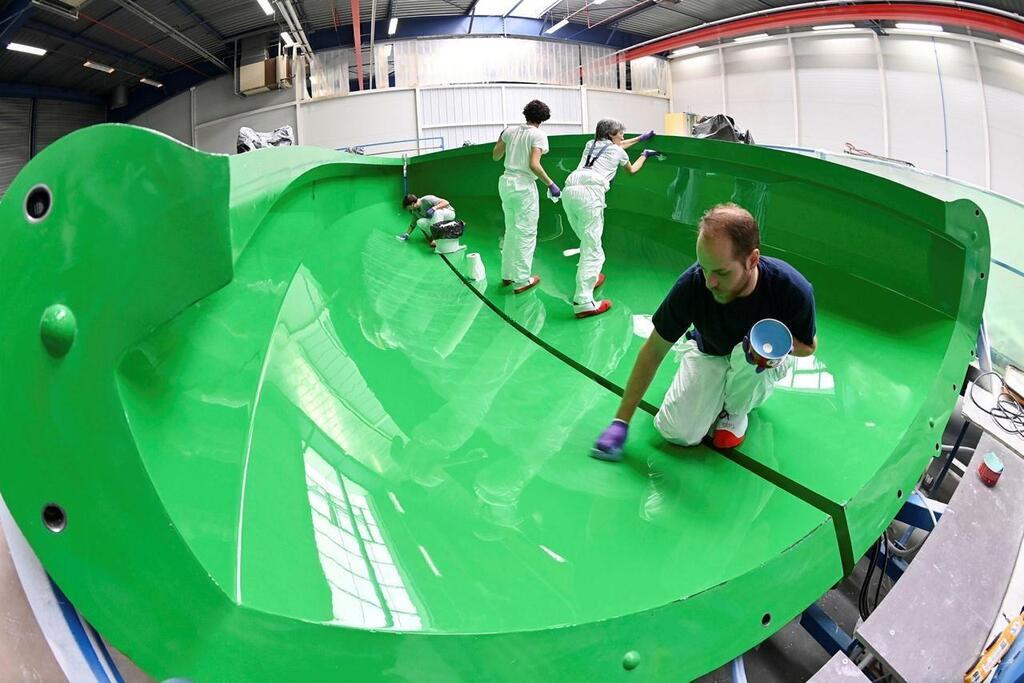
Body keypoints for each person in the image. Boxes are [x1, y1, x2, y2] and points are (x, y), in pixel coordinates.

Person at [591, 203, 818, 461]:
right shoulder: (692, 284)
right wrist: (621, 421)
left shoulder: (791, 288)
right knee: (677, 433)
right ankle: (715, 390)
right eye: (704, 267)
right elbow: (653, 351)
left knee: (750, 357)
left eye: (721, 272)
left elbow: (809, 346)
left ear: (752, 260)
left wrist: (776, 348)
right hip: (708, 350)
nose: (709, 282)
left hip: (756, 365)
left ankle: (734, 412)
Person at [562, 119, 658, 318]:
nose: (623, 137)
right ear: (611, 135)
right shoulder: (618, 151)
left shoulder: (591, 144)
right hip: (590, 193)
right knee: (593, 249)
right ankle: (583, 302)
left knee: (587, 241)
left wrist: (640, 138)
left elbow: (619, 146)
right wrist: (644, 154)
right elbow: (631, 169)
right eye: (620, 134)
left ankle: (591, 277)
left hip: (570, 190)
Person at [491, 100, 559, 294]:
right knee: (526, 232)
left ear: (526, 114)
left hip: (506, 182)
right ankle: (522, 279)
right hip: (523, 185)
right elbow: (534, 165)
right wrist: (551, 184)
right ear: (543, 119)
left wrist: (501, 138)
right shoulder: (538, 135)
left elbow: (495, 156)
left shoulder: (509, 131)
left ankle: (507, 274)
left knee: (511, 229)